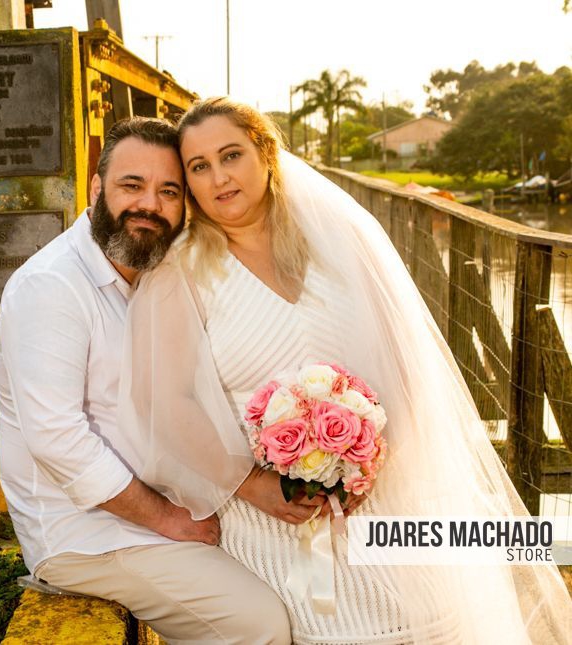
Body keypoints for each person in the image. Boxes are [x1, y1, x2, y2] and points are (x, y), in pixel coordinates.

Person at [119, 98, 572, 644]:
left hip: (376, 492)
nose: (219, 178)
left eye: (231, 155)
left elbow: (407, 367)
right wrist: (255, 485)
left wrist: (373, 464)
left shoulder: (341, 240)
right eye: (198, 167)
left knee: (431, 617)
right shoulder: (181, 269)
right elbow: (167, 403)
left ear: (265, 155)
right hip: (266, 511)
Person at [0, 116, 292, 644]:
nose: (149, 205)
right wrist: (166, 519)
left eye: (168, 191)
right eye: (132, 185)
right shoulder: (51, 288)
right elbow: (56, 439)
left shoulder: (157, 271)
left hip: (164, 504)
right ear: (96, 189)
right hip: (88, 534)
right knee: (259, 623)